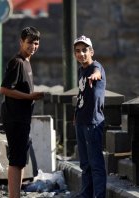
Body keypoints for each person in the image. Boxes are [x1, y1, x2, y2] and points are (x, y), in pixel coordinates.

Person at [0, 26, 45, 198]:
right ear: (21, 42)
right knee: (16, 160)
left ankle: (16, 194)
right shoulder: (17, 62)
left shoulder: (27, 62)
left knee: (20, 160)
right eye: (29, 43)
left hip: (23, 118)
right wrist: (29, 96)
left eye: (36, 43)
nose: (33, 46)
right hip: (15, 118)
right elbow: (4, 89)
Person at [73, 35, 107, 198]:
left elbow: (97, 72)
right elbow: (82, 95)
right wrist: (76, 115)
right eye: (78, 51)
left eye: (85, 50)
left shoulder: (96, 66)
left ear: (91, 51)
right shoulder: (81, 70)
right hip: (81, 122)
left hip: (93, 123)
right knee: (85, 164)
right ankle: (86, 194)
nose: (81, 54)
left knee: (96, 164)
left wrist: (95, 76)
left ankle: (99, 196)